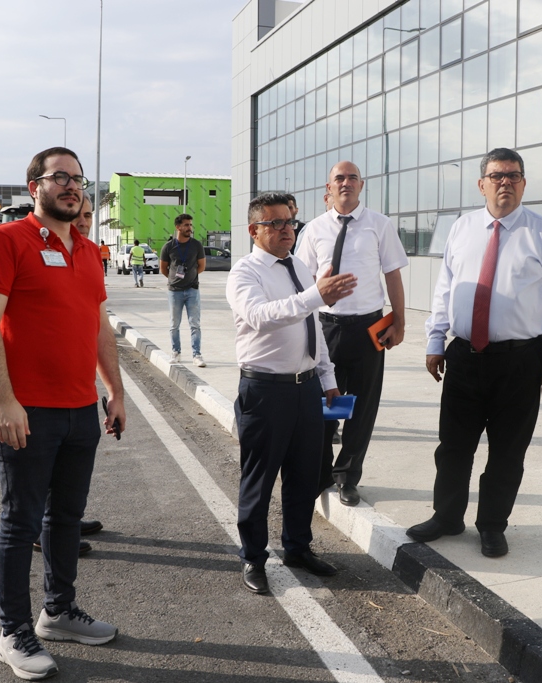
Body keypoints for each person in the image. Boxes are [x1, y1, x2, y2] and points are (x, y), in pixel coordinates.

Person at [0, 147, 125, 680]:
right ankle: (13, 632)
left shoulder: (88, 250)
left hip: (81, 408)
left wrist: (115, 391)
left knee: (65, 519)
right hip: (27, 409)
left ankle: (58, 611)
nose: (72, 186)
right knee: (21, 522)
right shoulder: (4, 241)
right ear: (34, 186)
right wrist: (4, 399)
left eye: (78, 178)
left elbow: (99, 327)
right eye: (60, 177)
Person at [408, 148, 542, 558]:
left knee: (507, 451)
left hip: (521, 361)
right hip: (464, 357)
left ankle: (492, 525)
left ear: (523, 184)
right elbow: (446, 289)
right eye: (497, 175)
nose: (505, 182)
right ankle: (447, 516)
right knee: (453, 445)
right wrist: (435, 341)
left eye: (513, 176)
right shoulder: (462, 228)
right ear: (481, 184)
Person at [226, 192, 358, 594]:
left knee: (304, 476)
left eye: (290, 222)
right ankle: (253, 557)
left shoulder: (299, 266)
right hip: (266, 390)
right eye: (276, 223)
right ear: (254, 230)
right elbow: (261, 316)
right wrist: (317, 294)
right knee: (260, 479)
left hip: (307, 388)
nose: (287, 229)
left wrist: (327, 377)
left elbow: (311, 326)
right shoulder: (244, 272)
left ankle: (298, 547)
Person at [296, 161, 409, 507]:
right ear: (328, 188)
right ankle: (320, 472)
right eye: (339, 178)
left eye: (352, 178)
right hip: (326, 328)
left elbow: (392, 274)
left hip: (368, 329)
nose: (346, 183)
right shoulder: (313, 230)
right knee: (324, 406)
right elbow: (303, 281)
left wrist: (399, 322)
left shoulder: (380, 225)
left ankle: (347, 476)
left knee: (362, 408)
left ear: (362, 185)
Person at [160, 214, 206, 366]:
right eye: (186, 225)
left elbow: (201, 266)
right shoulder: (168, 247)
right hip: (174, 291)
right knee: (174, 324)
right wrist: (175, 279)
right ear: (178, 227)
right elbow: (163, 268)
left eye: (190, 225)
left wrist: (189, 277)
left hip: (192, 290)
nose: (189, 228)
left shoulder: (196, 245)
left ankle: (197, 355)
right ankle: (176, 352)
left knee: (195, 324)